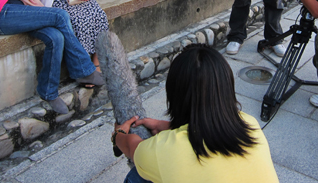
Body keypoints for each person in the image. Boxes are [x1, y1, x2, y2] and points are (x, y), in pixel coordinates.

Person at [113, 44, 279, 183]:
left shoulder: (164, 151)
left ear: (174, 94)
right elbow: (210, 127)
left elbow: (129, 146)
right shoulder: (250, 123)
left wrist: (118, 133)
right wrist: (166, 126)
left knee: (137, 177)